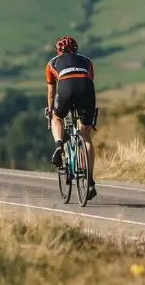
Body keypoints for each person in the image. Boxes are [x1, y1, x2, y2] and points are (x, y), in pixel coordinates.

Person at [45, 35, 98, 200]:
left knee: (56, 117)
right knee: (86, 134)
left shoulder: (52, 63)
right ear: (76, 49)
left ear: (58, 50)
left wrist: (51, 109)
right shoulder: (87, 61)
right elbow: (88, 80)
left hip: (65, 86)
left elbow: (51, 92)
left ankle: (59, 145)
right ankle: (89, 180)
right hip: (86, 88)